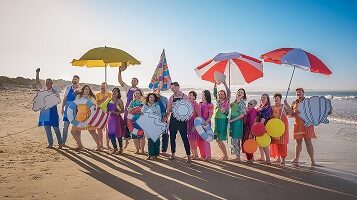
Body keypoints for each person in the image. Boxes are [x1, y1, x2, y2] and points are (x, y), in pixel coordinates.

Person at [284, 88, 328, 166]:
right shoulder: (294, 103)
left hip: (307, 124)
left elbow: (316, 110)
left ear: (303, 93)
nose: (298, 93)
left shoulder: (308, 101)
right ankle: (296, 159)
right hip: (297, 124)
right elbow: (290, 114)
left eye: (300, 92)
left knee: (308, 142)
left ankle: (312, 160)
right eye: (297, 92)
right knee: (298, 142)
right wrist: (286, 104)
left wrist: (326, 111)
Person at [35, 68, 63, 149]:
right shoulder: (43, 89)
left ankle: (60, 143)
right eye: (46, 82)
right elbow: (37, 82)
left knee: (56, 128)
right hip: (44, 112)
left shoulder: (55, 91)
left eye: (49, 82)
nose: (47, 84)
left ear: (52, 83)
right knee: (47, 128)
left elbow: (57, 101)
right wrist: (37, 73)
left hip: (53, 111)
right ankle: (50, 143)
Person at [164, 82, 191, 162]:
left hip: (182, 120)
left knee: (184, 138)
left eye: (172, 88)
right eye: (171, 88)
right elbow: (168, 110)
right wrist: (166, 117)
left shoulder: (184, 96)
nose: (171, 90)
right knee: (172, 138)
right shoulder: (171, 98)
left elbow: (188, 109)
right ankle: (173, 155)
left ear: (177, 87)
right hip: (173, 119)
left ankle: (189, 156)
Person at [70, 85, 101, 151]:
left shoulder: (92, 97)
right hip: (79, 116)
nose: (87, 90)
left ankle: (99, 146)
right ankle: (80, 145)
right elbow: (75, 104)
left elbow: (95, 107)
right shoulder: (79, 96)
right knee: (73, 131)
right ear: (83, 90)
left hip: (88, 117)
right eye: (85, 89)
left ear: (89, 91)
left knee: (92, 131)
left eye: (88, 89)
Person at [118, 64, 140, 148]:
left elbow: (143, 100)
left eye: (135, 81)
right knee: (126, 124)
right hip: (128, 108)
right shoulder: (127, 88)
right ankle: (126, 142)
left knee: (135, 124)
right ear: (131, 82)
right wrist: (119, 71)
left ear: (137, 82)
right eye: (132, 80)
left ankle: (138, 143)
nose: (133, 81)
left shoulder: (139, 91)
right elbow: (120, 80)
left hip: (136, 110)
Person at [270, 93, 289, 165]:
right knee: (276, 142)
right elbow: (270, 116)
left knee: (282, 142)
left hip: (283, 126)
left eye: (278, 98)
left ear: (280, 98)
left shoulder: (283, 106)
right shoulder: (272, 107)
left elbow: (290, 114)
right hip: (275, 126)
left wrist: (286, 104)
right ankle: (278, 158)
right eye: (275, 97)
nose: (276, 99)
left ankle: (283, 159)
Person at [213, 81, 230, 161]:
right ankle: (224, 155)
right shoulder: (218, 100)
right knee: (216, 139)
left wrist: (225, 84)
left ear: (225, 95)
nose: (220, 95)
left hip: (222, 121)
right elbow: (214, 93)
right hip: (216, 120)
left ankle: (226, 155)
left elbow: (229, 92)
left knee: (219, 139)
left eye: (222, 94)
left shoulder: (226, 101)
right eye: (219, 94)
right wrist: (215, 85)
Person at [61, 75, 80, 146]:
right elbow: (65, 99)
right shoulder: (68, 88)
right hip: (67, 110)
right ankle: (63, 142)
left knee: (77, 128)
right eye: (73, 79)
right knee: (65, 127)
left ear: (78, 81)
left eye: (75, 79)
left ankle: (78, 143)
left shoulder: (80, 90)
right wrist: (62, 108)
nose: (74, 80)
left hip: (76, 111)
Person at [142, 93, 162, 160]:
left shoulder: (157, 106)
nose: (152, 98)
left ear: (155, 98)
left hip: (156, 125)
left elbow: (159, 116)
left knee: (156, 141)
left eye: (153, 97)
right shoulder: (145, 106)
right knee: (150, 141)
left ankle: (156, 154)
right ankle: (151, 155)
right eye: (150, 97)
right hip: (148, 125)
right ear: (148, 98)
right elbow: (144, 116)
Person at [229, 88, 247, 162]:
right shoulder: (235, 101)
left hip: (237, 122)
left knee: (235, 139)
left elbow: (243, 114)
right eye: (238, 92)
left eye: (241, 92)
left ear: (243, 95)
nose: (240, 93)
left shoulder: (242, 102)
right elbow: (229, 107)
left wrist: (233, 120)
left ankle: (238, 157)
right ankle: (237, 156)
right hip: (232, 121)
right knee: (233, 139)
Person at [107, 87, 125, 154]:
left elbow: (122, 111)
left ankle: (120, 148)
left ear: (118, 93)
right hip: (110, 118)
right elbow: (105, 108)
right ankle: (115, 148)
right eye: (113, 91)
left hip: (117, 119)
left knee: (119, 133)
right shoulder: (108, 100)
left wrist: (115, 112)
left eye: (116, 91)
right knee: (111, 133)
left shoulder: (119, 101)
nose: (114, 92)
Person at [256, 94, 272, 164]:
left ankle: (268, 160)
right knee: (260, 142)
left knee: (264, 142)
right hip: (258, 125)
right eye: (262, 98)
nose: (262, 99)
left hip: (264, 125)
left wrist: (261, 126)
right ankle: (262, 157)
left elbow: (264, 117)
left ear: (267, 99)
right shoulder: (260, 106)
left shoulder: (267, 107)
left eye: (264, 98)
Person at [128, 89, 145, 154]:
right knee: (135, 136)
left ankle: (142, 150)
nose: (137, 94)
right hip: (133, 121)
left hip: (142, 121)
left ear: (140, 94)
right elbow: (129, 111)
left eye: (138, 93)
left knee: (141, 136)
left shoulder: (143, 101)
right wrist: (134, 108)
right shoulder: (132, 102)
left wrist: (141, 111)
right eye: (136, 93)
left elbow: (146, 110)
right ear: (134, 94)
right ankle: (137, 149)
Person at [198, 90, 214, 161]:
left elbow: (210, 115)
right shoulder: (200, 103)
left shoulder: (210, 104)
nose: (202, 95)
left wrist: (206, 122)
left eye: (203, 94)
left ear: (207, 95)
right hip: (199, 123)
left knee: (206, 140)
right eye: (202, 94)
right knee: (200, 140)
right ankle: (203, 155)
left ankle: (208, 156)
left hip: (206, 124)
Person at [95, 82, 112, 149]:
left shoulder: (110, 94)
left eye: (104, 86)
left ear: (107, 87)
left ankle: (107, 144)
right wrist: (104, 99)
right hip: (99, 113)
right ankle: (101, 144)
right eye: (101, 86)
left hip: (108, 113)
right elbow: (97, 103)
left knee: (108, 129)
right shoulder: (98, 94)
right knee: (99, 129)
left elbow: (112, 103)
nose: (102, 88)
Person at [153, 89, 169, 156]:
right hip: (154, 119)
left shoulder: (164, 99)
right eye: (155, 90)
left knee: (165, 135)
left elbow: (168, 109)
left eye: (157, 90)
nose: (156, 91)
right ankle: (155, 150)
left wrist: (165, 117)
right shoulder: (152, 98)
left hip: (163, 117)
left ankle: (164, 151)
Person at [187, 91, 202, 160]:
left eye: (191, 95)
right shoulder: (187, 104)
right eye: (188, 95)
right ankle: (193, 154)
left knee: (192, 140)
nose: (189, 96)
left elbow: (199, 116)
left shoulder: (196, 105)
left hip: (193, 124)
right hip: (187, 124)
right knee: (189, 140)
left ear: (194, 97)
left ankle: (196, 155)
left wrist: (195, 126)